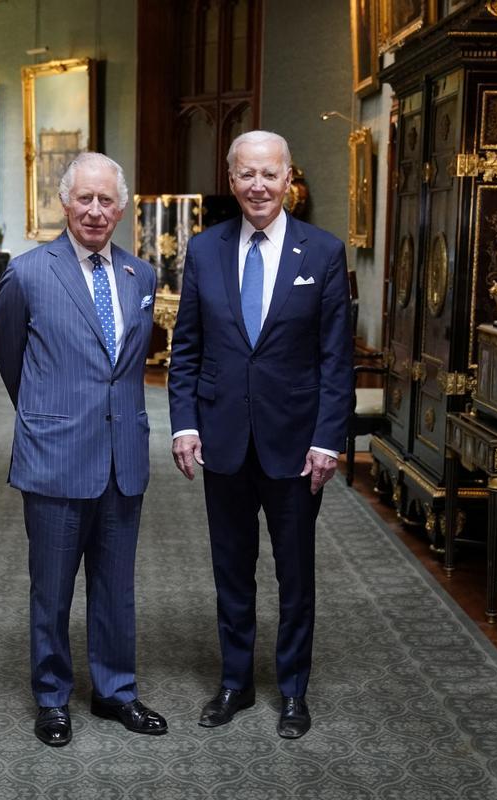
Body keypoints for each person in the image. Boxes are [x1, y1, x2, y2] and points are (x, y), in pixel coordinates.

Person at [167, 130, 352, 739]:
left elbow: (335, 359)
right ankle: (236, 682)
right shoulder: (205, 249)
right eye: (246, 174)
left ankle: (293, 689)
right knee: (231, 569)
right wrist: (185, 424)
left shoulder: (322, 253)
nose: (258, 186)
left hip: (297, 448)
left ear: (288, 177)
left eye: (269, 174)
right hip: (222, 441)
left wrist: (329, 438)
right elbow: (187, 349)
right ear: (231, 177)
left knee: (294, 574)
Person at [0, 152, 165, 747]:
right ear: (64, 203)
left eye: (106, 201)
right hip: (55, 456)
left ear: (121, 208)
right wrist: (49, 415)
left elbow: (131, 366)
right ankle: (52, 697)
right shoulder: (29, 273)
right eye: (84, 199)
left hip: (124, 456)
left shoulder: (141, 277)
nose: (95, 210)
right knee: (53, 587)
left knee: (117, 587)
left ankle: (116, 692)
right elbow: (10, 357)